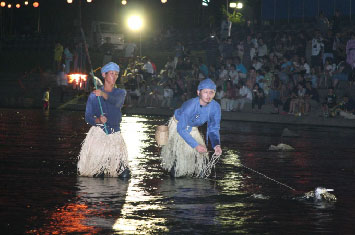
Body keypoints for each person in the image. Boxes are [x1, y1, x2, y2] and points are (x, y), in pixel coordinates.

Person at [161, 78, 222, 178]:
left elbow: (213, 128)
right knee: (179, 162)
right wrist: (196, 145)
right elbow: (181, 129)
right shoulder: (190, 105)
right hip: (178, 126)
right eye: (205, 92)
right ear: (198, 92)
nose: (208, 95)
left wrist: (216, 145)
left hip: (193, 128)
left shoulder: (216, 107)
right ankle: (174, 177)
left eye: (211, 92)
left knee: (203, 159)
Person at [77, 62, 129, 178]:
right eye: (111, 73)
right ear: (104, 75)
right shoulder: (93, 96)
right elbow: (88, 117)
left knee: (124, 175)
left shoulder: (121, 93)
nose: (115, 76)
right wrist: (99, 120)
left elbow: (117, 102)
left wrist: (103, 95)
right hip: (99, 134)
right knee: (97, 174)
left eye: (116, 74)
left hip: (115, 135)